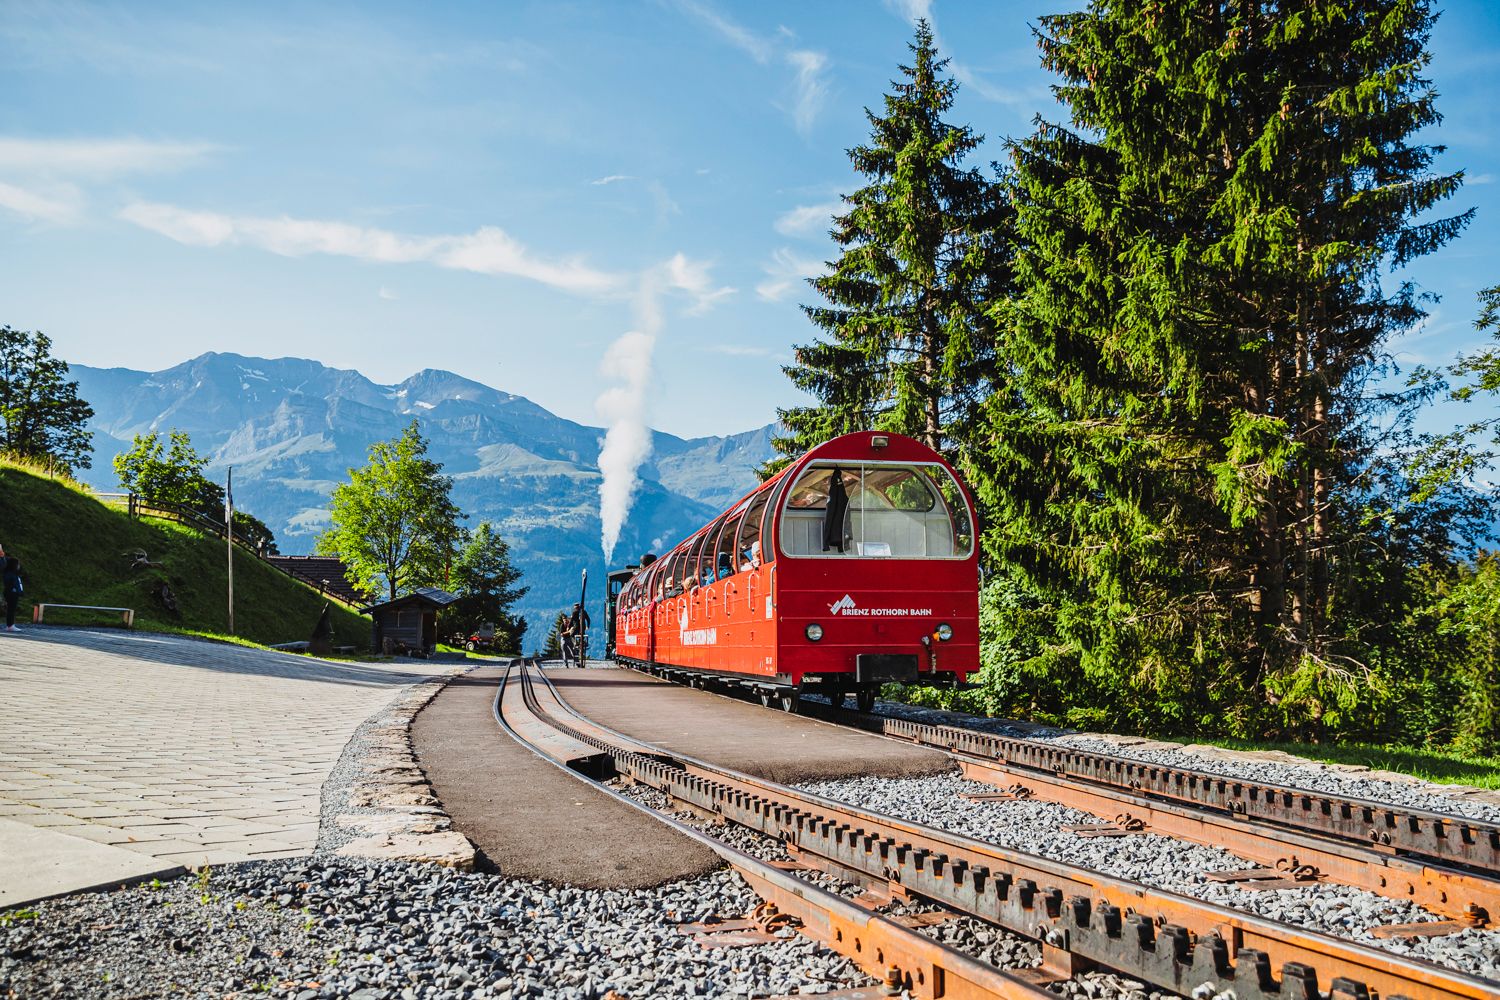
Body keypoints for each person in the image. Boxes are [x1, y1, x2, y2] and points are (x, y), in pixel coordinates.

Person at [3, 556, 22, 632]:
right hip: (11, 593)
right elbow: (10, 584)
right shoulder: (10, 573)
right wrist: (14, 590)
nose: (19, 566)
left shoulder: (13, 573)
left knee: (11, 609)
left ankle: (10, 625)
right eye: (18, 564)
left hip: (13, 593)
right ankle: (10, 625)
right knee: (11, 610)